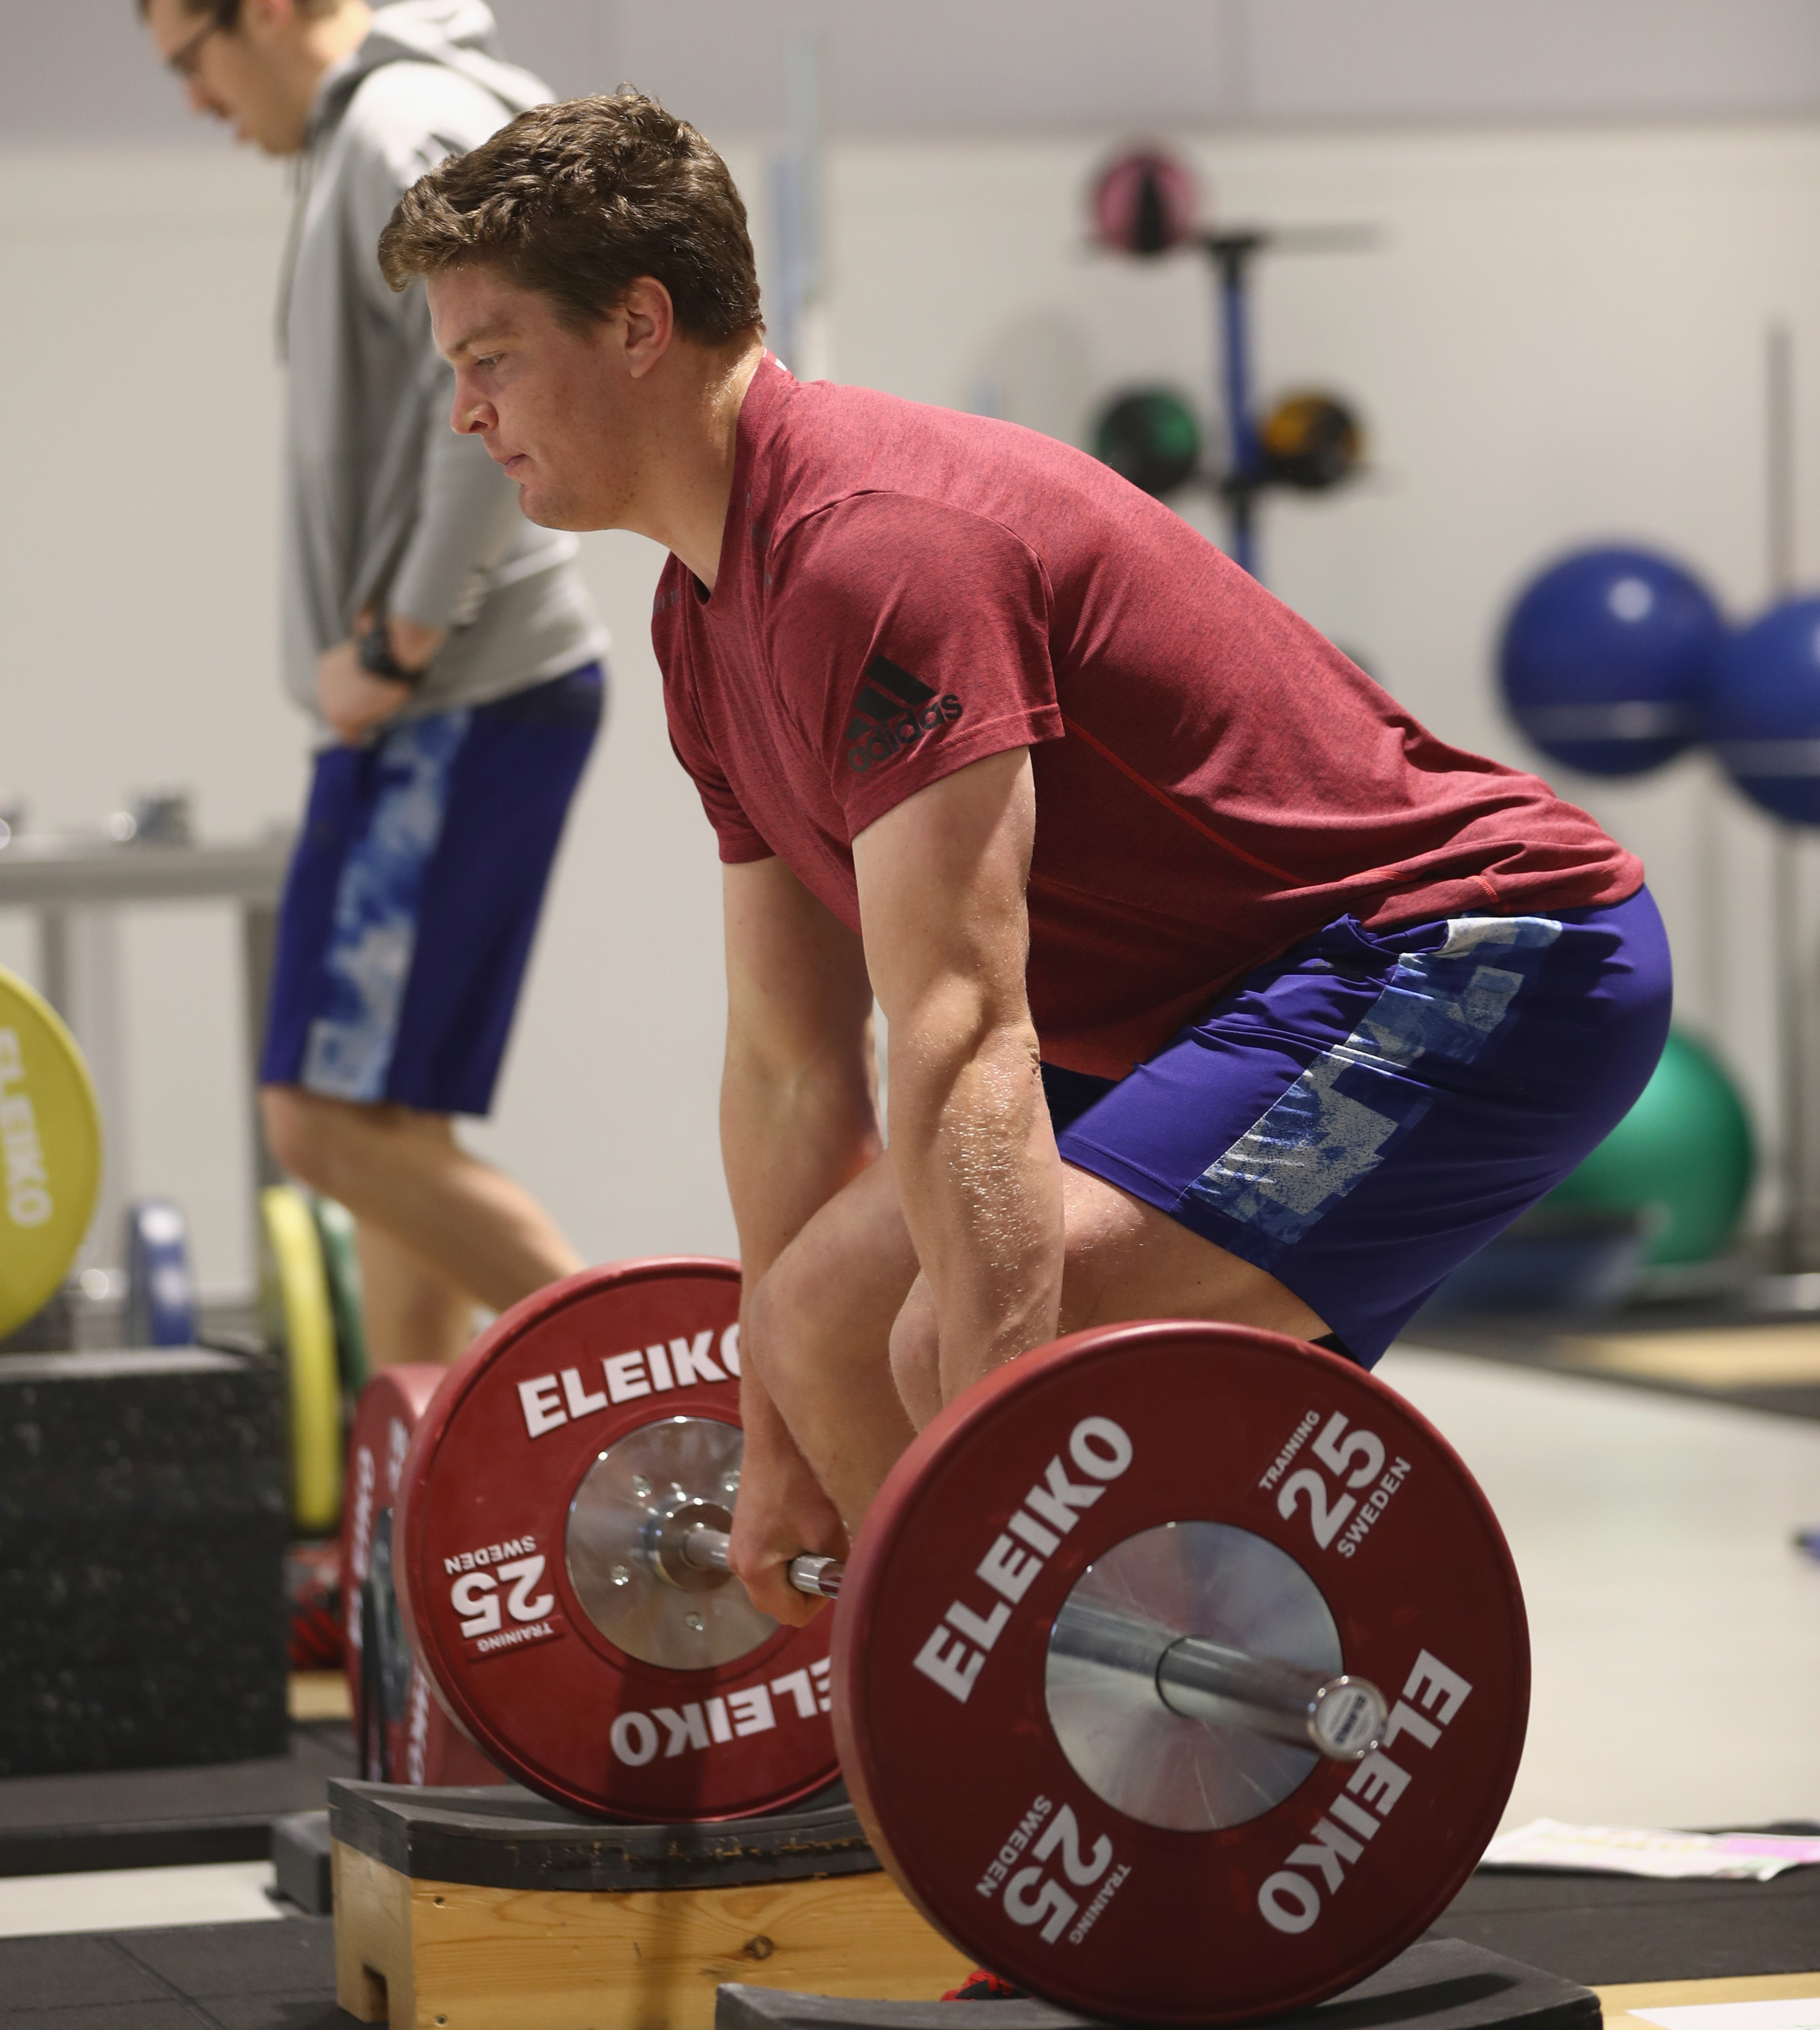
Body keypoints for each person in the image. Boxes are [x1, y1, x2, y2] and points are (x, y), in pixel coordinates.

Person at [377, 88, 1670, 1614]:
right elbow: (794, 1064)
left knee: (961, 1350)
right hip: (1220, 1009)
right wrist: (780, 1432)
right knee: (817, 1328)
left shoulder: (873, 553)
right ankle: (1006, 1758)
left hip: (1482, 957)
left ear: (642, 324)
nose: (470, 413)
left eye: (492, 360)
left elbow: (964, 1024)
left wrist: (1003, 1456)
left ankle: (1089, 1764)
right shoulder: (702, 618)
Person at [139, 0, 608, 1363]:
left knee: (323, 1123)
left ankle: (680, 1389)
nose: (199, 102)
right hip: (448, 691)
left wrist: (399, 639)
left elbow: (483, 390)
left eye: (189, 61)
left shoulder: (395, 132)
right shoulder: (374, 135)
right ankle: (409, 1553)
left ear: (261, 7)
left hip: (449, 689)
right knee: (394, 1132)